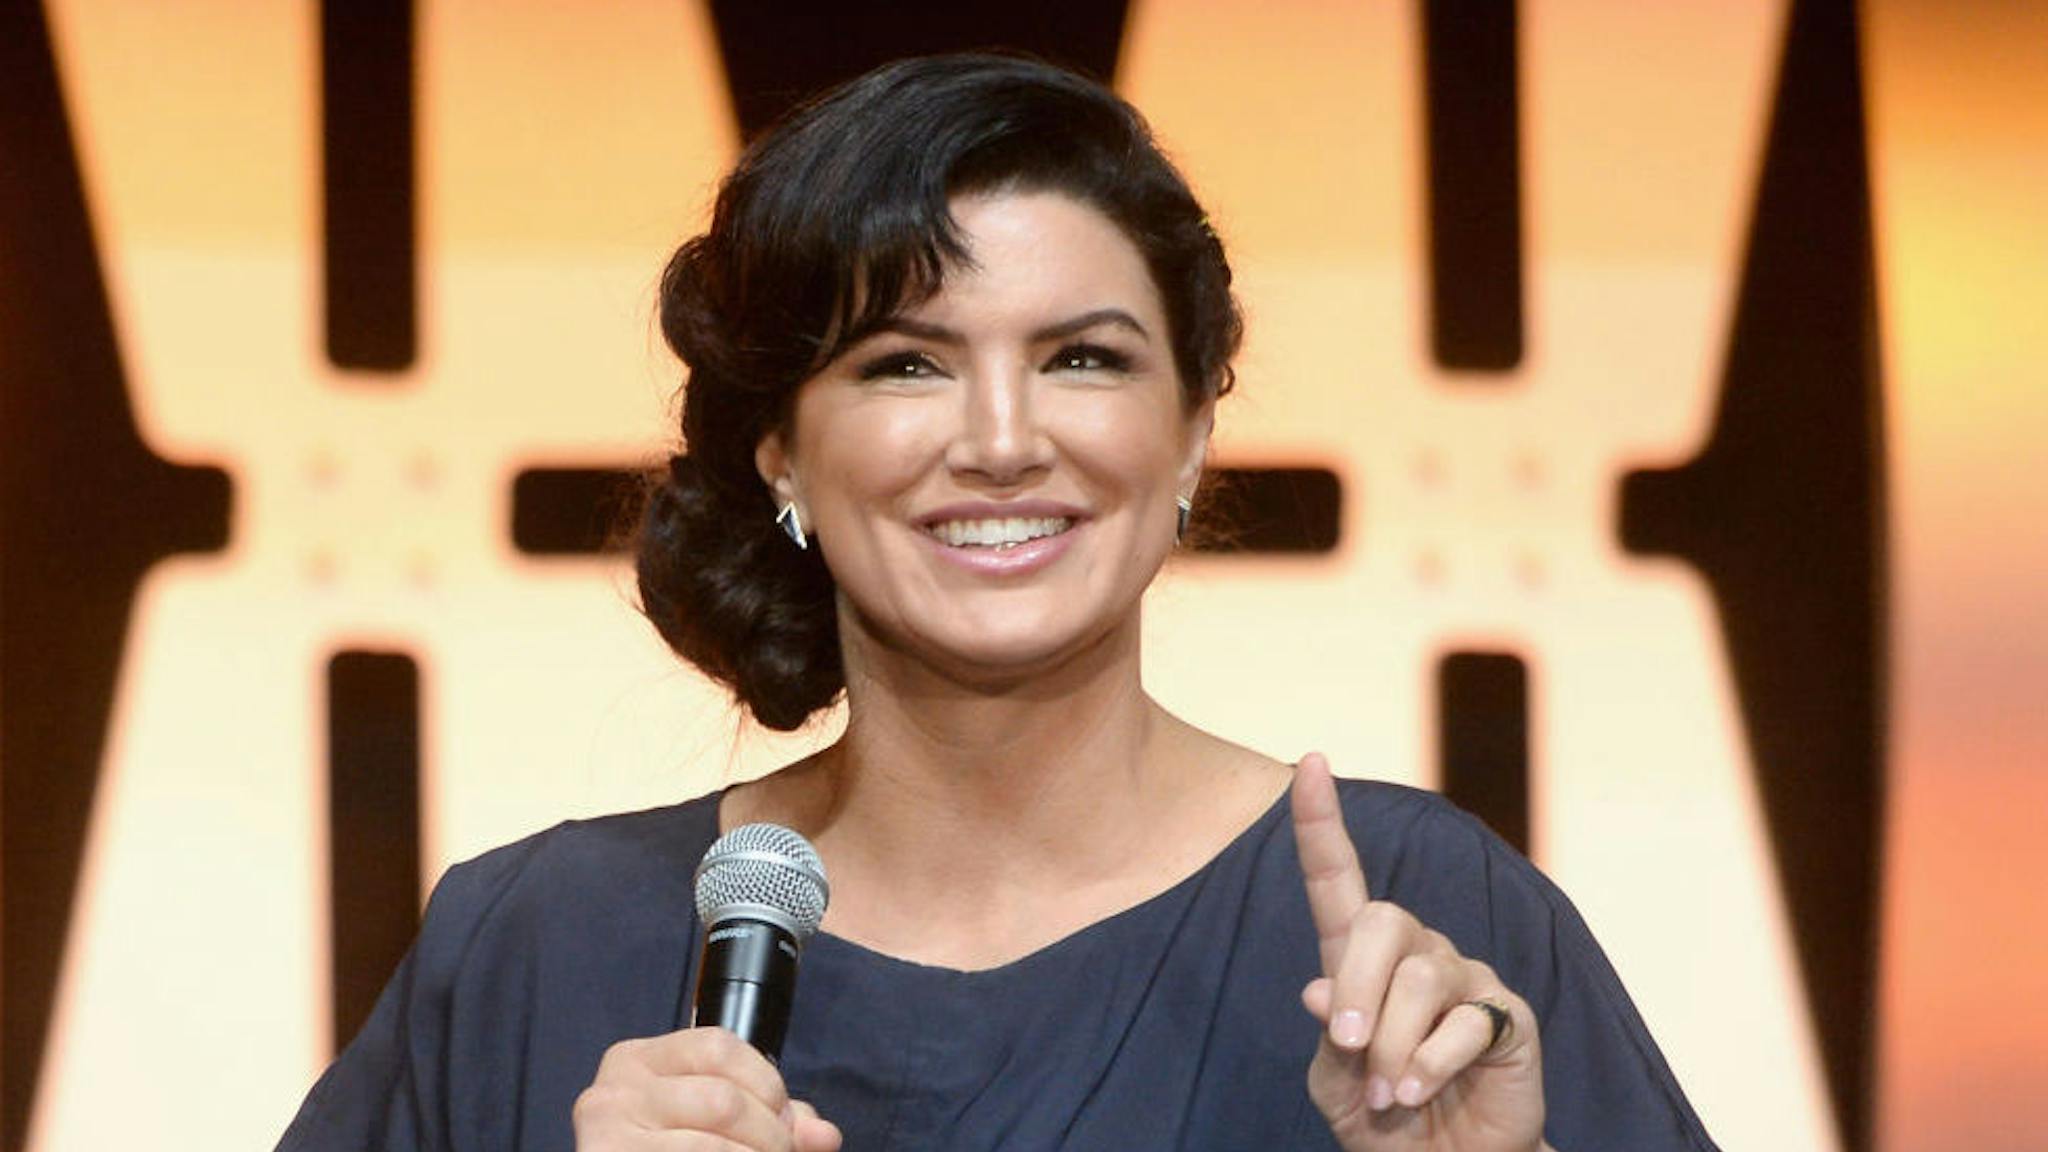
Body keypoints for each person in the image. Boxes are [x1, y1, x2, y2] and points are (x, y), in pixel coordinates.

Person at [278, 54, 1718, 1152]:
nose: (1004, 437)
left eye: (1085, 358)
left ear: (1196, 427)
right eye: (906, 363)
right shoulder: (542, 942)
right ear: (779, 442)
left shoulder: (1421, 923)